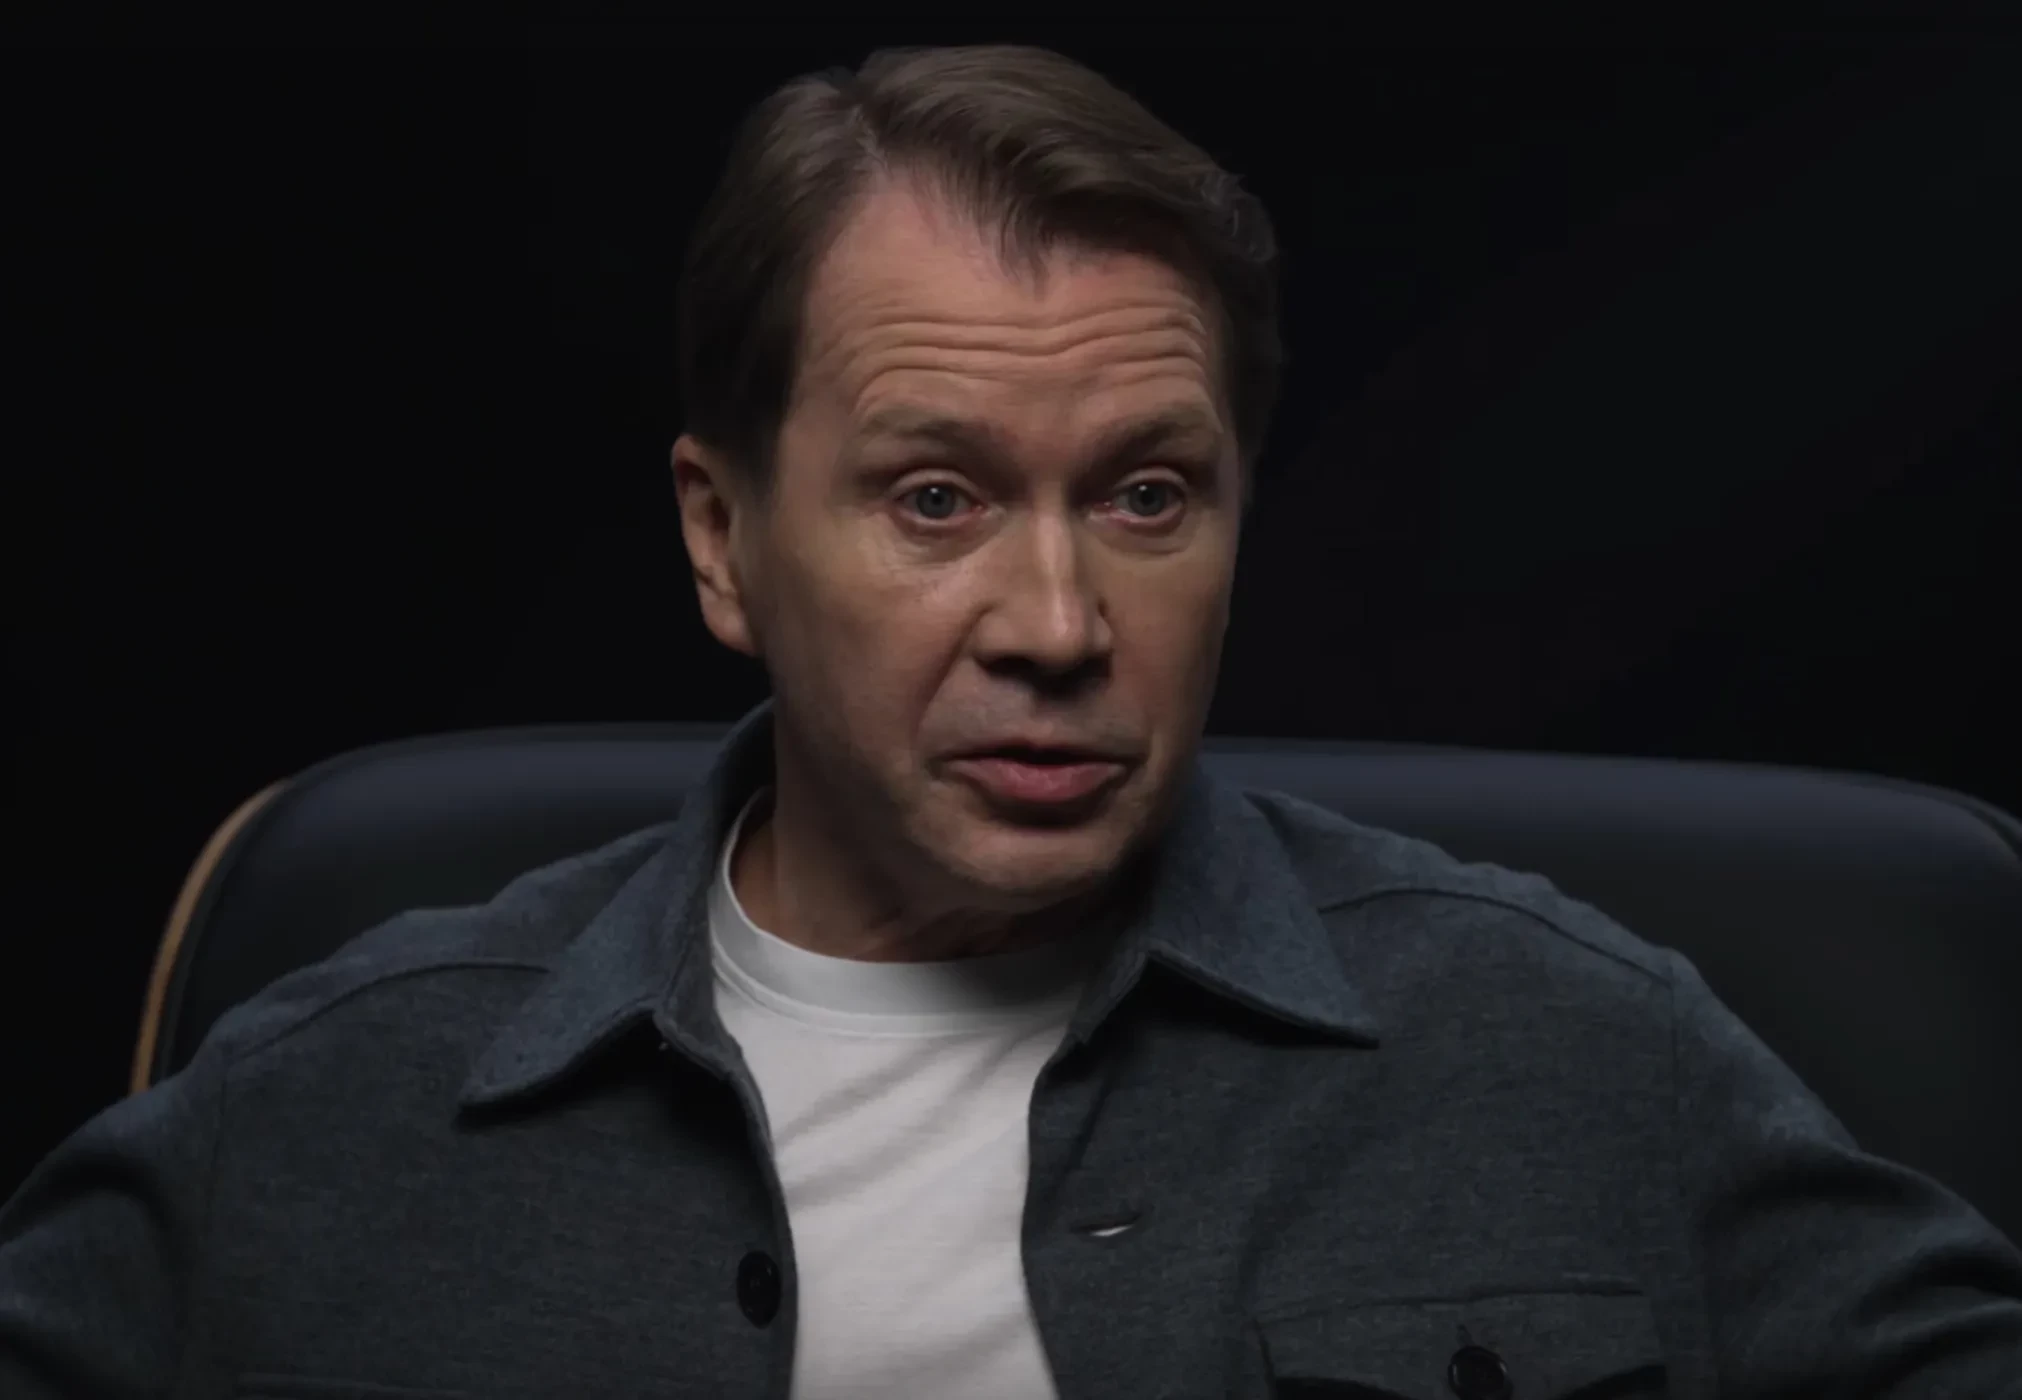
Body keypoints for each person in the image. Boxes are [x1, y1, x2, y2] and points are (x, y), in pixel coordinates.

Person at [3, 42, 2020, 1400]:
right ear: (722, 538)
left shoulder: (1574, 1046)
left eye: (1146, 495)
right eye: (934, 498)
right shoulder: (325, 1115)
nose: (1057, 625)